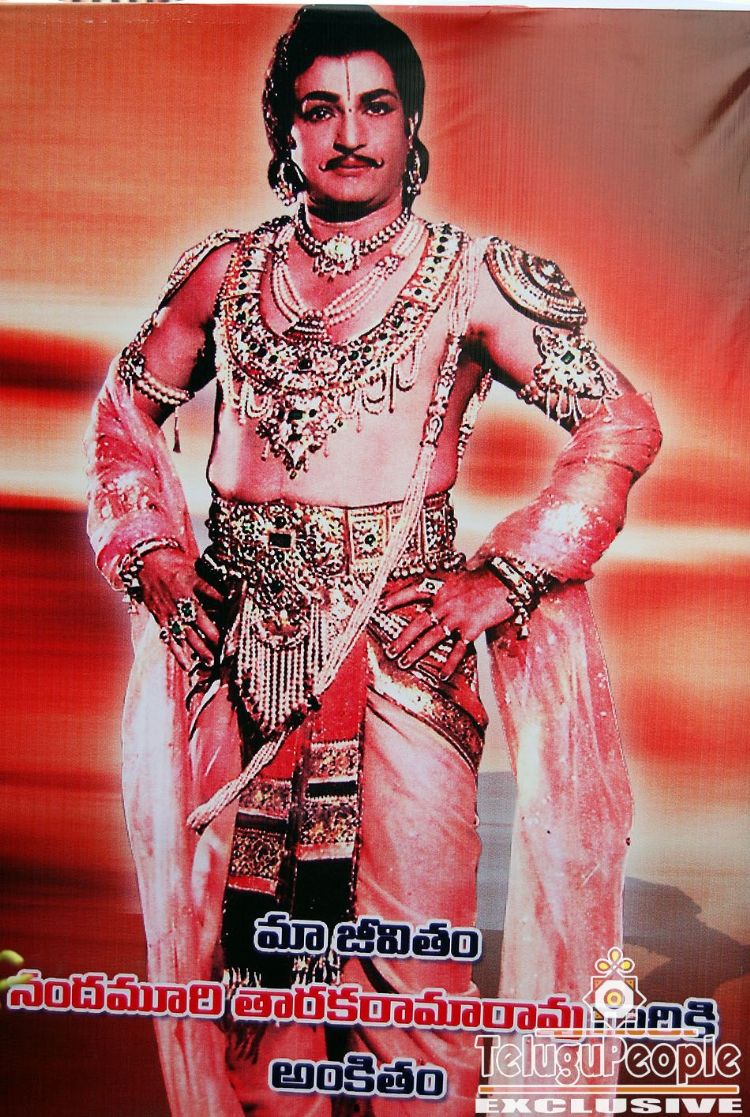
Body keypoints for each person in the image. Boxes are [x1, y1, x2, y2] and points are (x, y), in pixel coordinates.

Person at [85, 6, 661, 1114]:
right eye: (321, 109)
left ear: (411, 124)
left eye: (375, 106)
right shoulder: (225, 274)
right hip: (237, 659)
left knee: (411, 985)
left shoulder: (473, 276)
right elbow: (123, 416)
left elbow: (620, 422)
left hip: (403, 662)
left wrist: (508, 572)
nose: (350, 133)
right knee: (247, 984)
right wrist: (151, 546)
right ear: (286, 131)